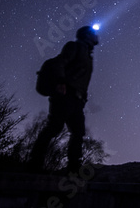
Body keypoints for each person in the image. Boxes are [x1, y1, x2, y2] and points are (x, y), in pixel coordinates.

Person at [29, 26, 99, 172]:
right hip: (65, 95)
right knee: (54, 127)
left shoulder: (87, 54)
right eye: (93, 33)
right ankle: (34, 164)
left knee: (78, 132)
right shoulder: (75, 46)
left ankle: (73, 169)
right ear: (86, 35)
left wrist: (83, 98)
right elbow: (59, 62)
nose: (96, 35)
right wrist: (61, 82)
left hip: (77, 100)